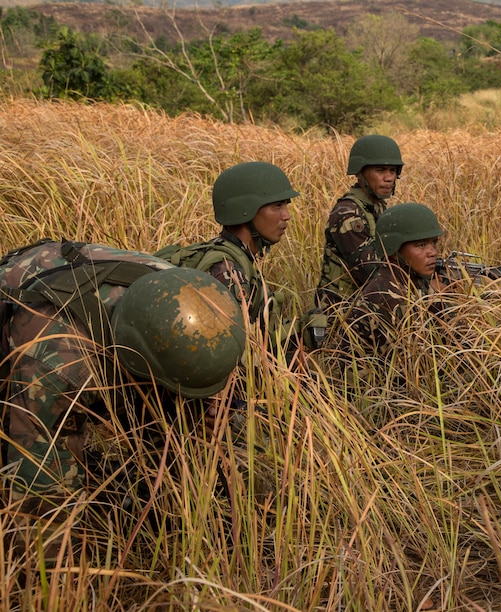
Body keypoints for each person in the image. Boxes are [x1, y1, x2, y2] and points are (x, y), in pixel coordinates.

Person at [0, 240, 245, 548]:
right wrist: (55, 579)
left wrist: (204, 408)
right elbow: (40, 498)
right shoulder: (59, 364)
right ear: (132, 360)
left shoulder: (184, 291)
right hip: (22, 310)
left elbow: (209, 348)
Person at [156, 161, 324, 352]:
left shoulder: (235, 256)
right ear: (246, 210)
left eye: (286, 206)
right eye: (277, 206)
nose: (286, 216)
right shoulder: (227, 271)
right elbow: (234, 352)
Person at [316, 134, 405, 311]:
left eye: (393, 171)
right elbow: (372, 271)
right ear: (360, 173)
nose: (388, 178)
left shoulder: (377, 208)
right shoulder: (348, 214)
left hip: (368, 305)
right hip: (342, 312)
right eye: (380, 170)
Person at [345, 202, 446, 355]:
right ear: (393, 248)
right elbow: (424, 360)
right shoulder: (388, 297)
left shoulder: (408, 280)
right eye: (421, 245)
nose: (432, 252)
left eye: (433, 243)